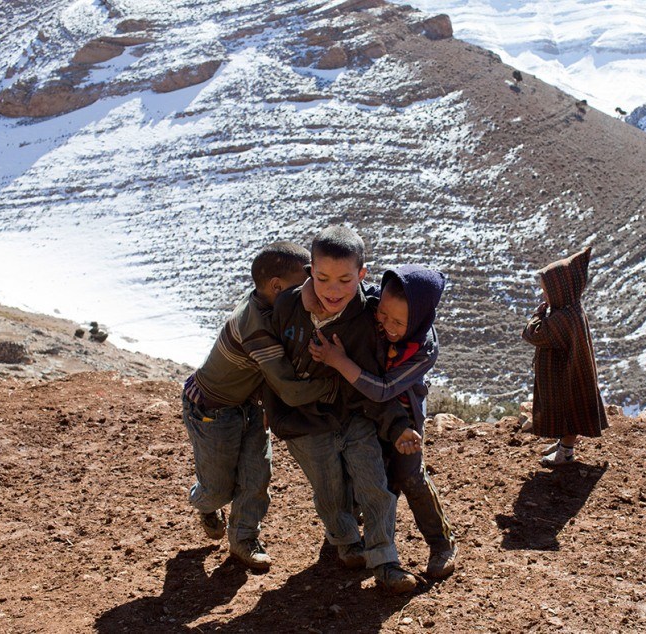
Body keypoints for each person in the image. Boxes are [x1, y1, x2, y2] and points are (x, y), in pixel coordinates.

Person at [266, 225, 422, 594]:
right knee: (330, 489)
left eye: (345, 280)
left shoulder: (368, 318)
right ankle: (346, 542)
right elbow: (268, 362)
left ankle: (386, 560)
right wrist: (273, 413)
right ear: (310, 273)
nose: (333, 290)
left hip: (355, 416)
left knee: (374, 485)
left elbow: (375, 378)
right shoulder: (288, 306)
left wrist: (397, 423)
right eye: (322, 279)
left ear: (362, 276)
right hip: (303, 421)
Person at [182, 241, 336, 571]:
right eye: (305, 282)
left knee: (257, 476)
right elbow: (292, 392)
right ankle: (204, 503)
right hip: (212, 410)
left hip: (249, 406)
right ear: (276, 287)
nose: (314, 289)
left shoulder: (271, 304)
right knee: (219, 489)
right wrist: (339, 382)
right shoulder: (256, 327)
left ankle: (243, 539)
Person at [307, 264, 458, 579]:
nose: (388, 325)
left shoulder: (424, 349)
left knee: (409, 477)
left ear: (417, 320)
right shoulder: (373, 304)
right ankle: (346, 538)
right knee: (365, 473)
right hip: (363, 410)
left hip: (404, 415)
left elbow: (385, 389)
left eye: (399, 322)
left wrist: (339, 361)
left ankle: (441, 543)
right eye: (384, 316)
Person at [521, 247, 607, 467]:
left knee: (568, 412)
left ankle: (565, 453)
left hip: (566, 379)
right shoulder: (571, 310)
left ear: (561, 290)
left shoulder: (563, 318)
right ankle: (563, 445)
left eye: (547, 292)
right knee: (567, 410)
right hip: (568, 375)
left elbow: (532, 334)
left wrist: (537, 315)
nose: (544, 297)